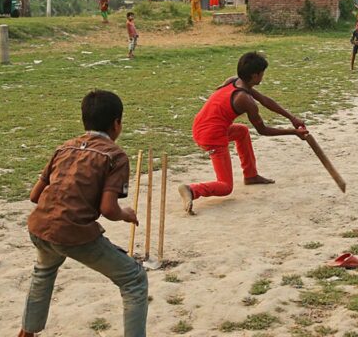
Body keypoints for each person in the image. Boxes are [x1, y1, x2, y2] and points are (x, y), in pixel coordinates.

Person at [17, 90, 148, 337]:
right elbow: (108, 209)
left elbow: (35, 196)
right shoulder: (115, 156)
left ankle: (27, 332)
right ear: (117, 123)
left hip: (40, 227)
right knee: (134, 280)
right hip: (74, 234)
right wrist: (126, 214)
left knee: (43, 272)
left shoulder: (63, 148)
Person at [178, 52, 309, 215]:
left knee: (241, 131)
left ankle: (250, 175)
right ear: (255, 76)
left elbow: (265, 100)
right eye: (262, 73)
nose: (263, 76)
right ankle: (191, 190)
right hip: (211, 136)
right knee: (225, 186)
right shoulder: (244, 99)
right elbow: (263, 130)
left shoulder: (234, 81)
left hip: (202, 126)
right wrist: (293, 132)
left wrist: (292, 118)